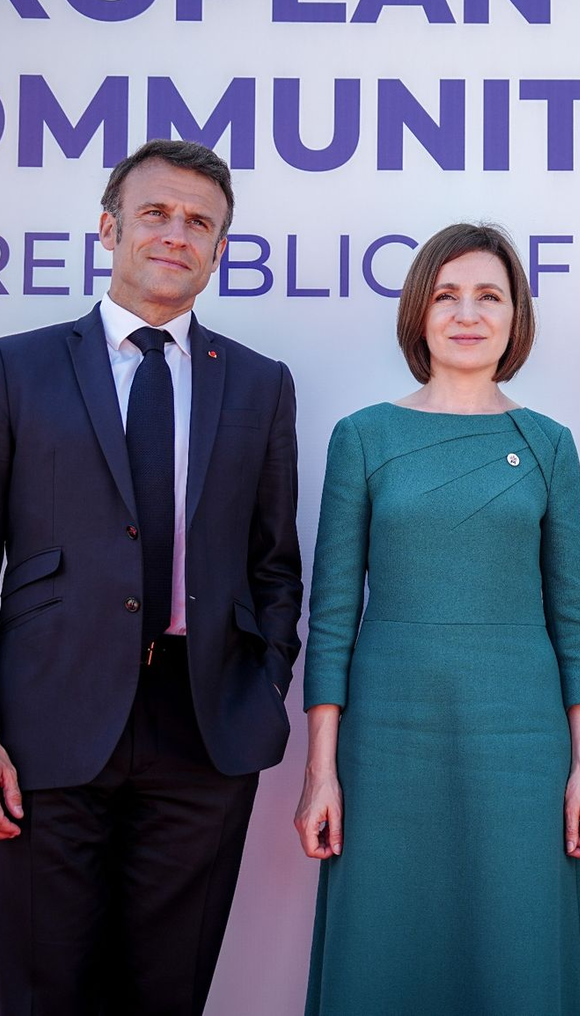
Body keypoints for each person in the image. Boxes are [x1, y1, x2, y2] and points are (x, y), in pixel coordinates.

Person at [0, 139, 303, 1015]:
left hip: (204, 730)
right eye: (157, 213)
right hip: (44, 729)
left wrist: (264, 685)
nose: (177, 233)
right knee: (36, 989)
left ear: (218, 249)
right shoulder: (18, 368)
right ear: (109, 228)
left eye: (199, 222)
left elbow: (273, 563)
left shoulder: (258, 383)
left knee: (166, 993)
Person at [295, 222, 580, 1016]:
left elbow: (574, 615)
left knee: (519, 945)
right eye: (447, 295)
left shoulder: (548, 445)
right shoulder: (363, 436)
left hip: (521, 747)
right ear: (419, 313)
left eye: (489, 296)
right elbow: (331, 615)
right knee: (383, 949)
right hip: (389, 741)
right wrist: (320, 770)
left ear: (515, 316)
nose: (468, 313)